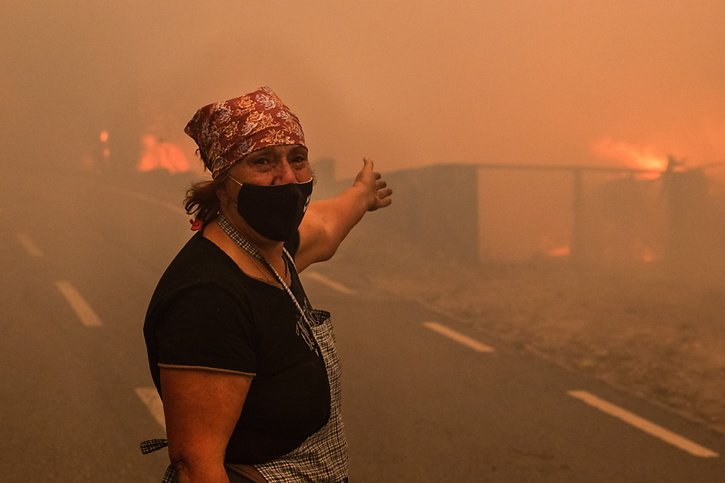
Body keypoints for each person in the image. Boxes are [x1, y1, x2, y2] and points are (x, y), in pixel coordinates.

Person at [141, 86, 392, 483]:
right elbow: (196, 464)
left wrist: (362, 194)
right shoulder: (208, 297)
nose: (288, 178)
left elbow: (325, 227)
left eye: (298, 159)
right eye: (263, 162)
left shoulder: (272, 251)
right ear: (223, 185)